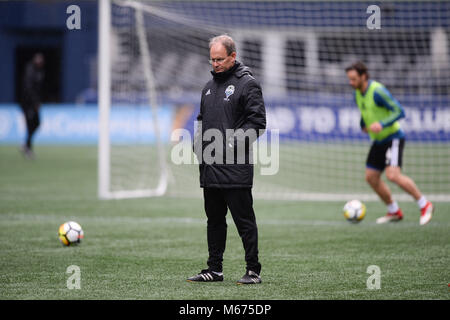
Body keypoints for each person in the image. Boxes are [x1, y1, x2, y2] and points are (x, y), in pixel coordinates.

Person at [188, 35, 266, 284]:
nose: (215, 64)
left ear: (233, 56)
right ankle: (214, 269)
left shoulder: (247, 84)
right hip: (210, 168)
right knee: (214, 221)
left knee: (244, 221)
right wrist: (198, 143)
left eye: (220, 59)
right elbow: (201, 119)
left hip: (235, 168)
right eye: (212, 59)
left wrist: (229, 144)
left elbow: (257, 123)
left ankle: (253, 270)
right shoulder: (208, 87)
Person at [345, 61, 433, 226]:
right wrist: (363, 125)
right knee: (371, 177)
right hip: (378, 140)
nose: (351, 83)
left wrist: (382, 124)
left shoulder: (377, 91)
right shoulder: (357, 93)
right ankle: (394, 211)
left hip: (393, 137)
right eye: (349, 79)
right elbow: (364, 112)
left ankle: (425, 204)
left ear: (364, 76)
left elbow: (399, 111)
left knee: (393, 175)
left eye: (354, 79)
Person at [20, 53, 45, 159]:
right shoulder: (30, 71)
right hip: (27, 103)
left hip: (33, 103)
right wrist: (35, 102)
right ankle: (28, 149)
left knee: (36, 123)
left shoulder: (39, 72)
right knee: (30, 125)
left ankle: (26, 145)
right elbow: (29, 89)